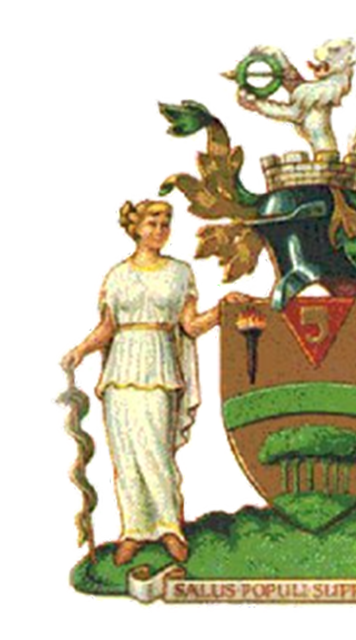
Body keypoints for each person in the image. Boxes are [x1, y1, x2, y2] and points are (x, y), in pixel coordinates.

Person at [61, 200, 245, 566]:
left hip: (159, 366)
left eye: (165, 223)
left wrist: (222, 311)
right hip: (121, 370)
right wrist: (80, 350)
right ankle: (134, 531)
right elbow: (108, 327)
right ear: (137, 228)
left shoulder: (178, 273)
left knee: (156, 453)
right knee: (126, 455)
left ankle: (169, 528)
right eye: (152, 223)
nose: (160, 230)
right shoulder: (118, 276)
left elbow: (190, 326)